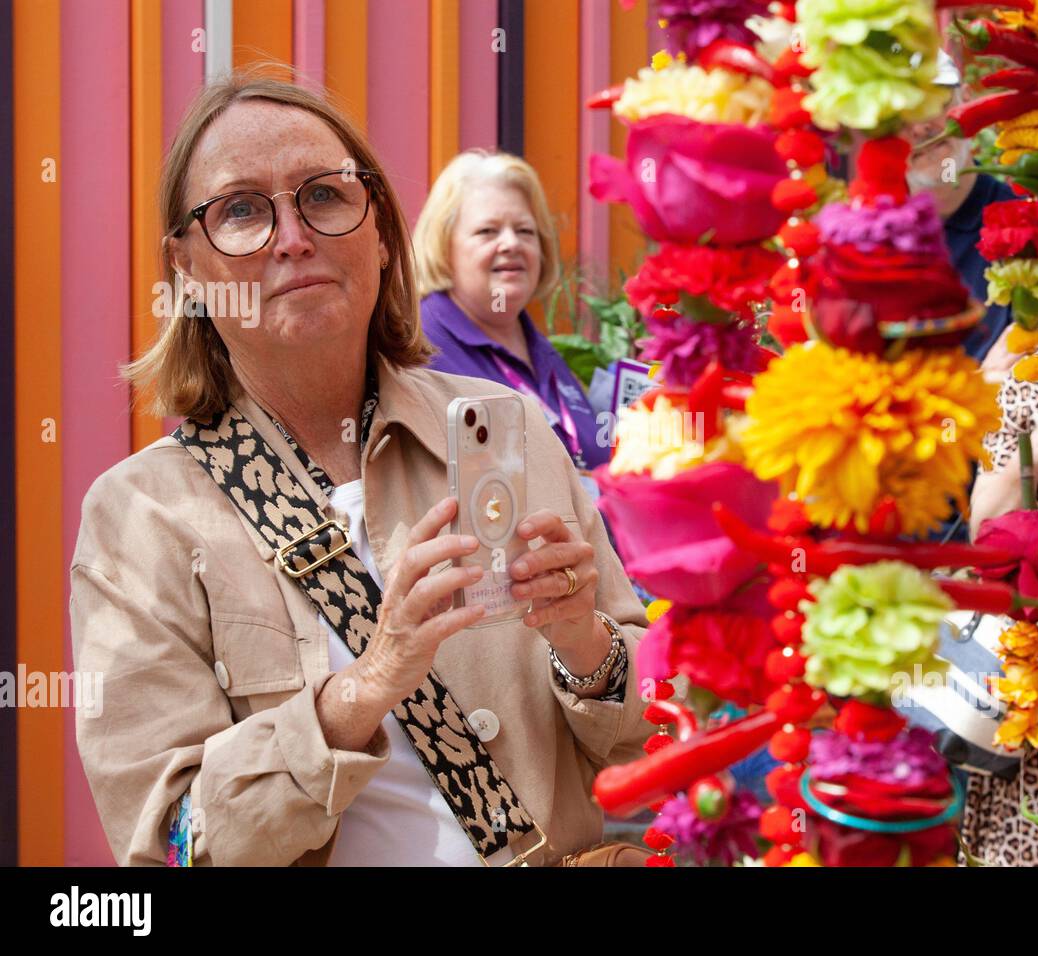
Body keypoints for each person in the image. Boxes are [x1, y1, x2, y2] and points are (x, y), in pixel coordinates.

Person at [69, 71, 651, 867]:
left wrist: (584, 646)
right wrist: (365, 686)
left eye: (323, 194)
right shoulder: (139, 517)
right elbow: (173, 844)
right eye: (241, 209)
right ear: (188, 268)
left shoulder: (507, 434)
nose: (292, 236)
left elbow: (648, 746)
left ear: (379, 230)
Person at [412, 151, 609, 481]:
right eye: (488, 231)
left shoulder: (537, 346)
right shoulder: (419, 347)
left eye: (525, 231)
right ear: (444, 247)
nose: (511, 244)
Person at [901, 53, 1018, 365]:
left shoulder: (1029, 227)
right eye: (903, 112)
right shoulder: (861, 237)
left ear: (969, 105)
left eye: (935, 102)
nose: (922, 127)